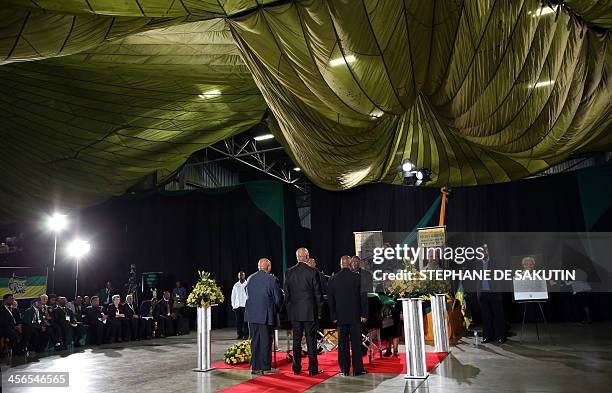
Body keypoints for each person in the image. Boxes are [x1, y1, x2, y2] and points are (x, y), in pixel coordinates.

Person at [284, 247, 323, 376]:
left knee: (296, 341)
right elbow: (318, 294)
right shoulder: (313, 272)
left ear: (297, 257)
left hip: (295, 313)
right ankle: (313, 370)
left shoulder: (289, 272)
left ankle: (296, 369)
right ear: (306, 257)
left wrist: (290, 311)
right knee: (311, 342)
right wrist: (320, 312)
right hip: (309, 313)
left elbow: (287, 295)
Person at [328, 256, 368, 376]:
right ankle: (358, 370)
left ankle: (344, 370)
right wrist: (364, 314)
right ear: (350, 264)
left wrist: (333, 315)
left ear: (341, 264)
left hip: (340, 317)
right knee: (356, 343)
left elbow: (331, 300)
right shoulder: (358, 277)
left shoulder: (333, 279)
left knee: (342, 344)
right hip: (355, 316)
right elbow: (363, 297)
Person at [244, 258, 281, 375]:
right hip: (265, 315)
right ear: (268, 267)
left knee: (254, 341)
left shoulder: (250, 278)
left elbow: (247, 293)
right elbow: (278, 299)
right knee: (265, 340)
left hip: (251, 315)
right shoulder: (272, 279)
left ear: (258, 266)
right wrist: (276, 309)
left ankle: (255, 367)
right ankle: (265, 366)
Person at [478, 244, 506, 344]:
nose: (483, 253)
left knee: (498, 315)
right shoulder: (477, 264)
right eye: (481, 251)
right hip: (483, 293)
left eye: (485, 250)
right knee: (486, 316)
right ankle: (487, 336)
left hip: (494, 292)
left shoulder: (496, 262)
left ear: (488, 251)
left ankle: (501, 336)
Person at [231, 271, 249, 339]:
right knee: (238, 322)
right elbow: (233, 295)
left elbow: (250, 295)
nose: (240, 276)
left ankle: (246, 335)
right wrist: (233, 305)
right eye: (239, 275)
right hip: (237, 306)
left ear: (244, 276)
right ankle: (239, 334)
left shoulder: (247, 284)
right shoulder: (236, 285)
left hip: (245, 306)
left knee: (245, 321)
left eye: (242, 275)